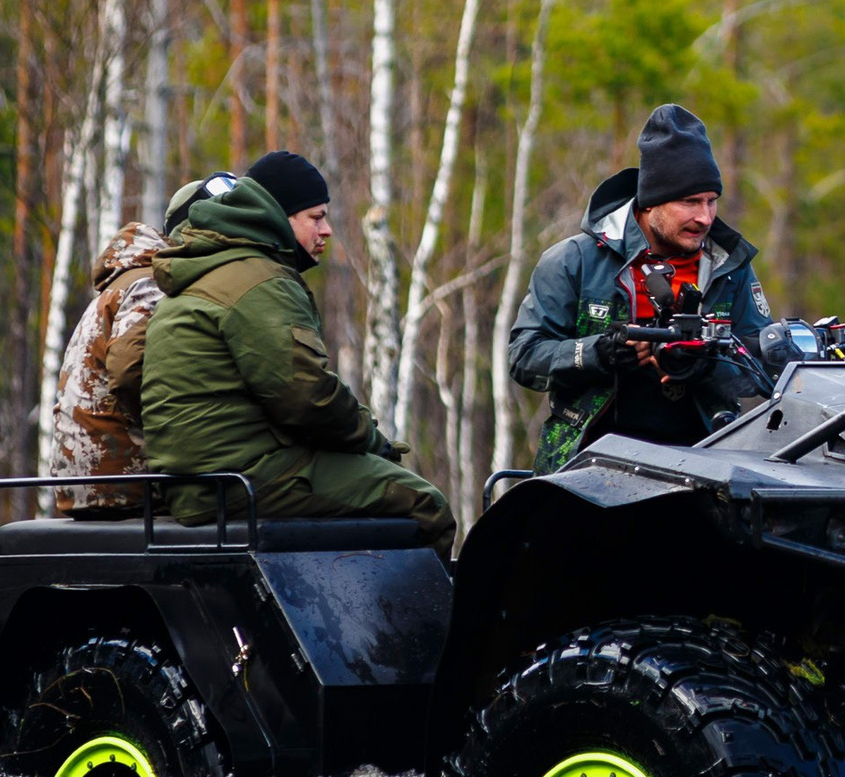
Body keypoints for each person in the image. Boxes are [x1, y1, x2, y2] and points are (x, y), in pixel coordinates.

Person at [141, 150, 456, 553]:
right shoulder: (259, 280)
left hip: (203, 481)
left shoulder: (213, 268)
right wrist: (374, 441)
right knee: (424, 504)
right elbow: (307, 397)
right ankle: (428, 619)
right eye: (315, 217)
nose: (326, 231)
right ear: (276, 215)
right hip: (241, 478)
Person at [508, 105, 775, 471]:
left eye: (711, 201)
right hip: (586, 464)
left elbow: (764, 366)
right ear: (650, 203)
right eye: (689, 202)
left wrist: (706, 363)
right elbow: (524, 357)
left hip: (705, 465)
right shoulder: (574, 261)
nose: (705, 218)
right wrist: (599, 353)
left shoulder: (730, 267)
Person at [42, 179, 210, 515]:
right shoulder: (150, 281)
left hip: (94, 476)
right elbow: (128, 371)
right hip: (117, 477)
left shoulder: (129, 278)